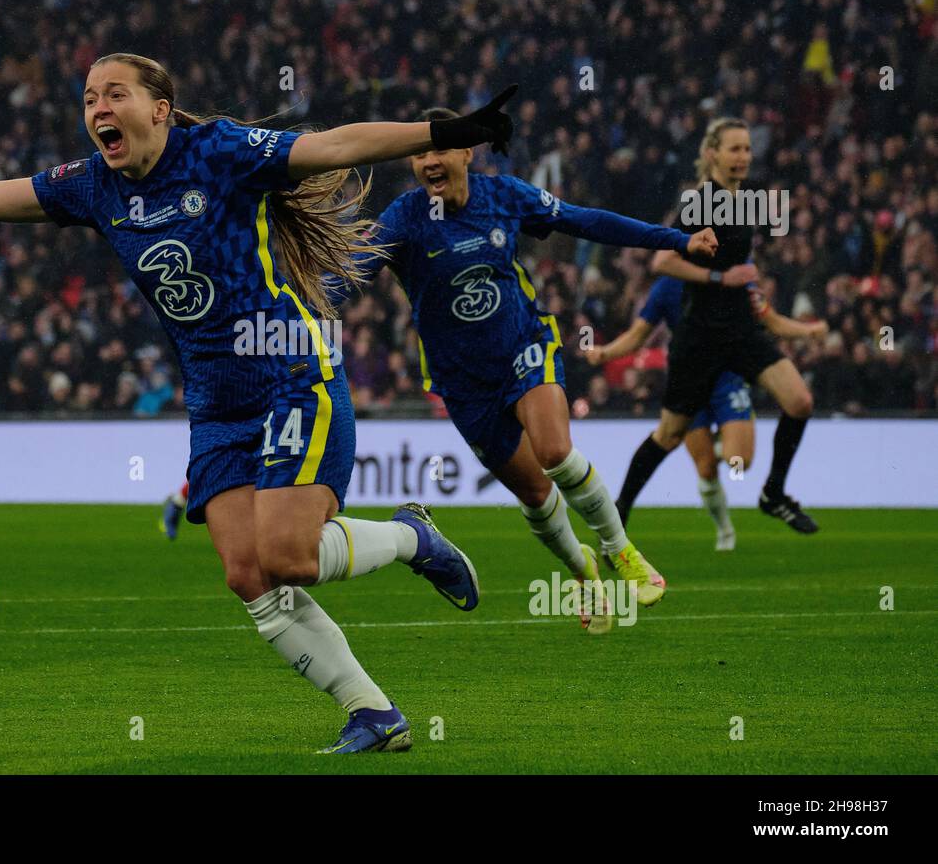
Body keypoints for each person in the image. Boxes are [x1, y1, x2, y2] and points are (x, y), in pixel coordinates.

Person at [0, 53, 520, 754]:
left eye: (114, 93)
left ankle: (410, 537)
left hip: (288, 368)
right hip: (214, 397)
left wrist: (442, 133)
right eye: (87, 99)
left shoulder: (219, 152)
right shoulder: (93, 186)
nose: (98, 108)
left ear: (160, 110)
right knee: (246, 575)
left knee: (289, 557)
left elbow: (333, 146)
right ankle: (373, 713)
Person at [332, 107, 719, 631]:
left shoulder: (505, 196)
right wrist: (293, 303)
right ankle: (583, 571)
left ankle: (619, 549)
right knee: (536, 495)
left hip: (525, 347)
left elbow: (586, 221)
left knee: (555, 453)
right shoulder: (405, 217)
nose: (428, 161)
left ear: (466, 152)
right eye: (420, 152)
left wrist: (677, 240)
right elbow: (349, 276)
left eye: (439, 149)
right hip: (463, 385)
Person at [616, 118, 819, 533]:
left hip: (741, 330)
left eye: (747, 148)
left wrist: (747, 280)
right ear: (712, 154)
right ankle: (617, 513)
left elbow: (734, 259)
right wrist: (719, 278)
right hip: (701, 335)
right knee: (669, 434)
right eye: (734, 149)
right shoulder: (700, 201)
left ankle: (773, 494)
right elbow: (664, 261)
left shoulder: (744, 200)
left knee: (800, 402)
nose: (743, 156)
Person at [588, 275, 828, 549]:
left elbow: (769, 319)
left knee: (738, 461)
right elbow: (638, 334)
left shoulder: (735, 275)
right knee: (702, 465)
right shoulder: (669, 285)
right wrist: (606, 353)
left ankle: (731, 452)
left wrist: (807, 331)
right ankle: (724, 530)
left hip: (728, 379)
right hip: (690, 374)